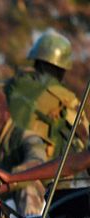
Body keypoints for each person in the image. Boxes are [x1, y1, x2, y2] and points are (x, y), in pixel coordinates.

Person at [5, 30, 83, 158]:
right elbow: (83, 137)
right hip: (40, 171)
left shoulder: (11, 85)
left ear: (36, 60)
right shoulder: (67, 99)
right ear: (62, 68)